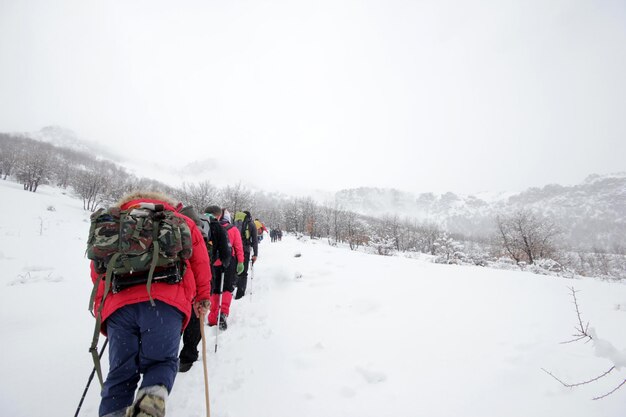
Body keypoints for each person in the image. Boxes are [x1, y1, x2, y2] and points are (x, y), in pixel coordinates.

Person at [90, 191, 212, 417]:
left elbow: (98, 272)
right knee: (161, 363)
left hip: (120, 306)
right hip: (165, 305)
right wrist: (202, 297)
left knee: (120, 374)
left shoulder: (114, 223)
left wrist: (102, 309)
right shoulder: (180, 220)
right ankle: (150, 403)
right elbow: (200, 262)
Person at [178, 206, 231, 373]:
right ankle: (188, 356)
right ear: (219, 215)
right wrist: (223, 265)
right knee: (197, 313)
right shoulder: (217, 228)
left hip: (179, 275)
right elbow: (225, 254)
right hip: (204, 273)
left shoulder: (183, 223)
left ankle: (168, 352)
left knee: (178, 312)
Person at [207, 206, 244, 330]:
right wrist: (241, 262)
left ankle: (212, 317)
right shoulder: (233, 229)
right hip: (229, 262)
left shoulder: (210, 227)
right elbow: (238, 248)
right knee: (227, 287)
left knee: (215, 289)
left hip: (214, 262)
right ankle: (223, 312)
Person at [233, 210, 258, 300]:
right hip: (245, 250)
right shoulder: (251, 224)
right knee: (243, 272)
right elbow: (255, 240)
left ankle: (231, 289)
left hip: (233, 249)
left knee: (234, 269)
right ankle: (240, 294)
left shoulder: (235, 222)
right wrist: (255, 254)